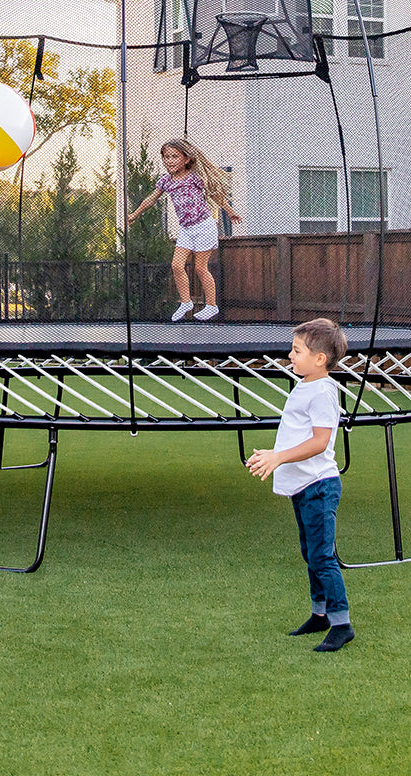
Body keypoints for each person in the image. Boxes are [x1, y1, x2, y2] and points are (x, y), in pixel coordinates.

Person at [246, 318, 354, 652]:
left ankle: (341, 623)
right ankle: (319, 614)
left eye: (296, 350)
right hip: (303, 487)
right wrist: (273, 453)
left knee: (322, 556)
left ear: (320, 358)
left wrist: (278, 458)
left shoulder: (322, 391)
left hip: (319, 487)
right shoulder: (307, 385)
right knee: (311, 553)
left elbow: (320, 442)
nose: (290, 356)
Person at [127, 138, 242, 321]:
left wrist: (230, 211)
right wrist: (135, 214)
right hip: (186, 229)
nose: (169, 161)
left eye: (174, 156)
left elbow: (215, 195)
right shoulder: (166, 181)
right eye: (166, 157)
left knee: (200, 267)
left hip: (204, 226)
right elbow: (151, 199)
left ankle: (211, 306)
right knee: (176, 265)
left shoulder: (195, 176)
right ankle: (186, 302)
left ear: (186, 159)